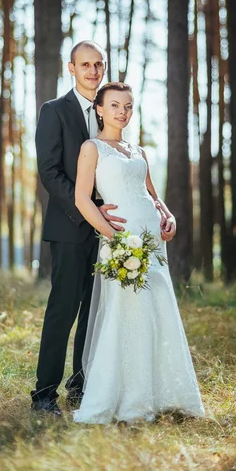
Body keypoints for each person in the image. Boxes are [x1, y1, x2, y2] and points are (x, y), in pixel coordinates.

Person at [30, 41, 177, 417]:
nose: (93, 71)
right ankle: (44, 393)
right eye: (85, 65)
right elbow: (49, 172)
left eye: (99, 64)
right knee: (64, 309)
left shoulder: (112, 111)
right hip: (71, 227)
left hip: (118, 230)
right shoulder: (54, 111)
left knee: (99, 311)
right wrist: (93, 210)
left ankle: (84, 385)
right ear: (72, 68)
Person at [73, 82, 205, 424]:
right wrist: (112, 235)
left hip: (152, 242)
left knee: (157, 307)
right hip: (122, 242)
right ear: (99, 110)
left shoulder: (138, 151)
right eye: (115, 105)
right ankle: (129, 399)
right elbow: (82, 199)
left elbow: (154, 197)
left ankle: (165, 393)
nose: (123, 112)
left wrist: (169, 215)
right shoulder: (92, 148)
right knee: (126, 311)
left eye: (128, 106)